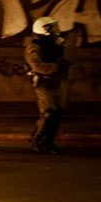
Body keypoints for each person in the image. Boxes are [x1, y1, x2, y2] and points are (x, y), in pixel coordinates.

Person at [25, 16, 70, 155]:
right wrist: (57, 67)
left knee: (56, 113)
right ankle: (39, 141)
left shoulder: (53, 44)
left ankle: (48, 142)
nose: (56, 30)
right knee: (49, 113)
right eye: (52, 28)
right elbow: (37, 65)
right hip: (43, 82)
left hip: (55, 81)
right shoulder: (34, 46)